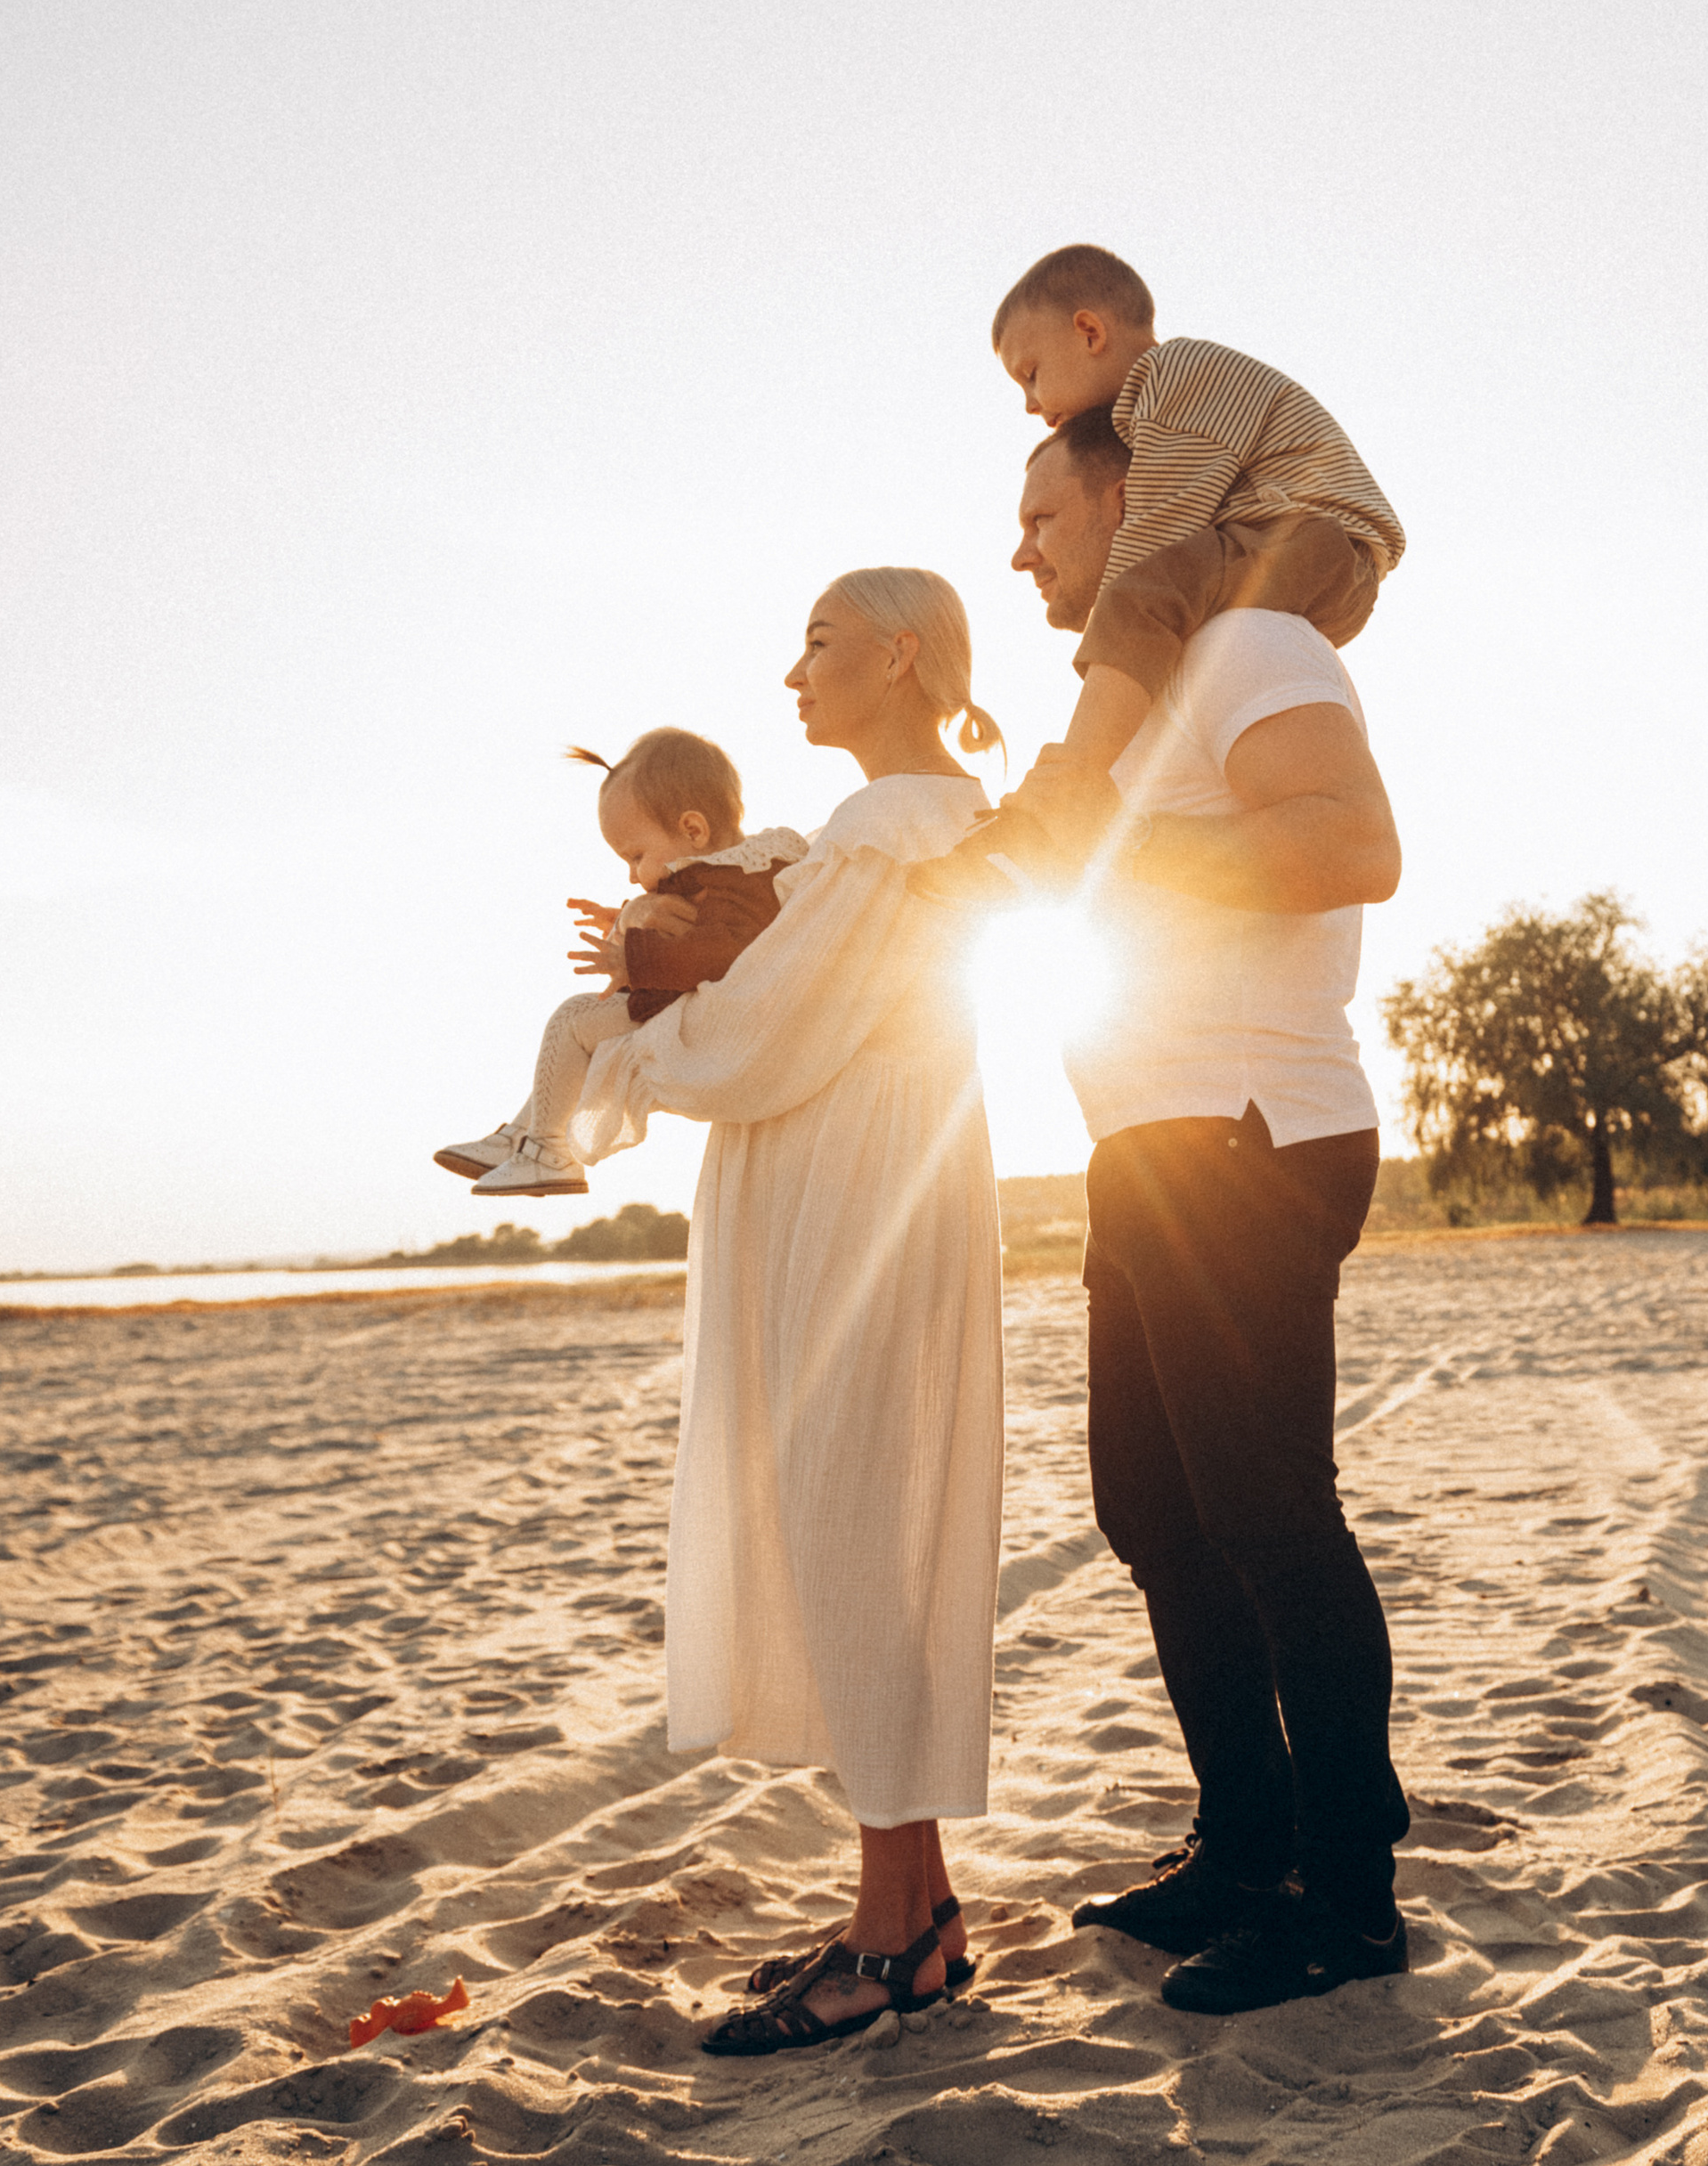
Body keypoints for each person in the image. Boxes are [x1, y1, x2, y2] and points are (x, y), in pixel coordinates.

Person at [554, 572, 1007, 2051]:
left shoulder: (887, 832)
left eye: (819, 643)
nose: (792, 671)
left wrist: (628, 1036)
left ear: (897, 657)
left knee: (850, 1539)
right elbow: (766, 975)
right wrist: (665, 948)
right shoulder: (902, 825)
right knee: (864, 1531)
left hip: (850, 1198)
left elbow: (766, 1030)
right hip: (870, 1181)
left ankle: (889, 1943)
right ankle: (917, 1909)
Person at [1017, 408, 1412, 2012]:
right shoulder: (1147, 708)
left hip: (1254, 1135)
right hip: (1150, 1146)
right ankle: (1249, 1845)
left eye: (1043, 513)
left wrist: (1112, 861)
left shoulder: (1253, 648)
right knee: (1156, 1515)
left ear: (1138, 505)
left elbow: (1353, 845)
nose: (1023, 549)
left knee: (1265, 1517)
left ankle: (1352, 1899)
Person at [914, 241, 1403, 904]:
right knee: (1149, 601)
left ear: (1089, 331)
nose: (1030, 402)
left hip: (1319, 538)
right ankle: (1049, 809)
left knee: (1145, 593)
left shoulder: (1175, 378)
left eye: (1031, 373)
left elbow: (1158, 530)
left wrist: (1099, 704)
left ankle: (1063, 790)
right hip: (1300, 545)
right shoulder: (1155, 405)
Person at [434, 728, 807, 1197]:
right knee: (580, 1033)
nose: (632, 874)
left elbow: (723, 950)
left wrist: (635, 961)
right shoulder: (736, 869)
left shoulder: (741, 878)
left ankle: (549, 1152)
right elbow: (693, 923)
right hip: (691, 1002)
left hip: (706, 1013)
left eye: (636, 855)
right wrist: (627, 918)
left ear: (693, 829)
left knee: (571, 1021)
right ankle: (520, 1137)